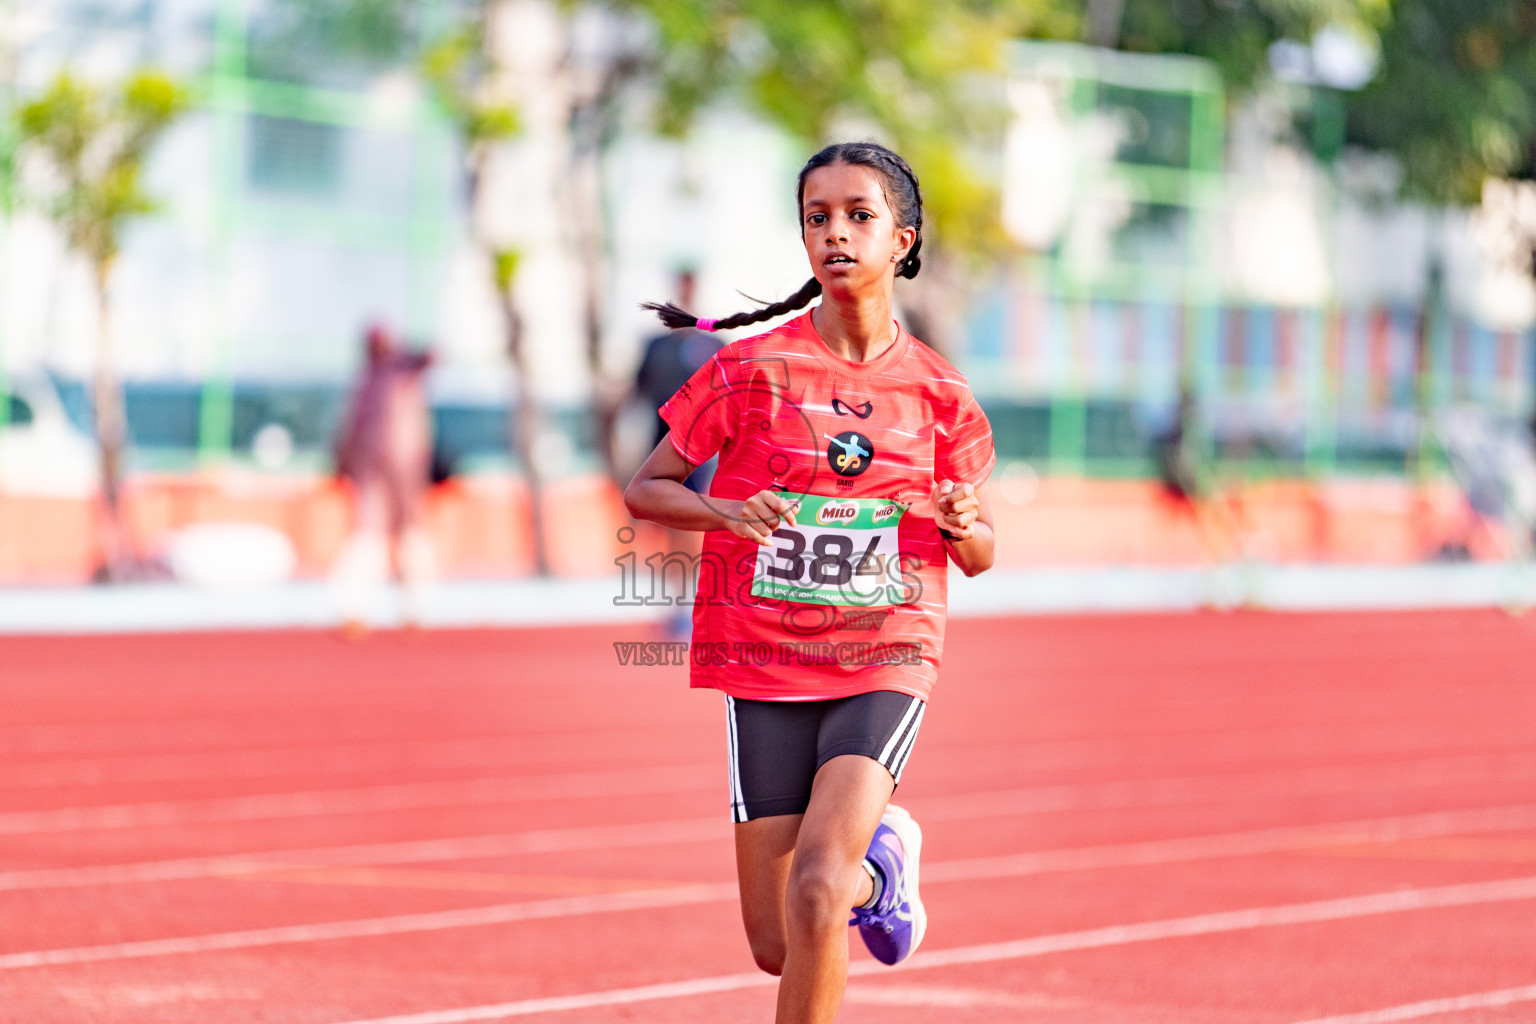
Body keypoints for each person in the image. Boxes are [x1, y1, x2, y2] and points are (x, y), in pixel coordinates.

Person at [623, 141, 996, 1024]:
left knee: (820, 890)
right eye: (817, 217)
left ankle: (854, 872)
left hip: (886, 650)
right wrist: (728, 512)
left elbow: (980, 552)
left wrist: (964, 526)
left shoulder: (941, 394)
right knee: (782, 940)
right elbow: (648, 485)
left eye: (859, 216)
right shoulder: (751, 370)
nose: (836, 233)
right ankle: (884, 871)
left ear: (902, 240)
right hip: (763, 655)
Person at [633, 270, 725, 636]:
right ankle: (677, 602)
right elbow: (638, 394)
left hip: (703, 450)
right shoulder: (656, 346)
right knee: (668, 527)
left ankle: (695, 603)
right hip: (662, 445)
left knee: (698, 523)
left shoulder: (715, 343)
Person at [331, 323, 437, 633]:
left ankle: (416, 607)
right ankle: (354, 608)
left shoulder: (403, 373)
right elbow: (352, 430)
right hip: (374, 471)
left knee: (412, 534)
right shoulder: (367, 383)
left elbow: (431, 355)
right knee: (367, 535)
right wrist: (345, 462)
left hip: (406, 469)